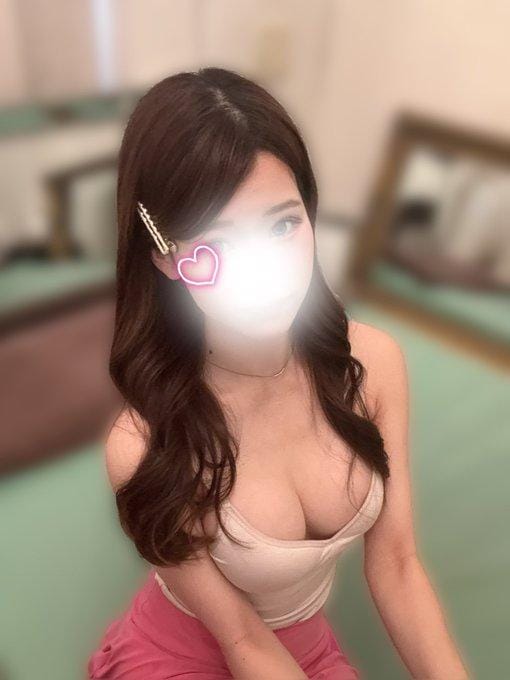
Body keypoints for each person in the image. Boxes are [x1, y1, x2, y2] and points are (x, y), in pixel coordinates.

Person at [87, 67, 469, 679]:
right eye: (217, 243)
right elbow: (241, 638)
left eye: (283, 224)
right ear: (164, 255)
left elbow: (396, 563)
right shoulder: (143, 445)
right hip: (188, 652)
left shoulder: (373, 365)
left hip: (303, 645)